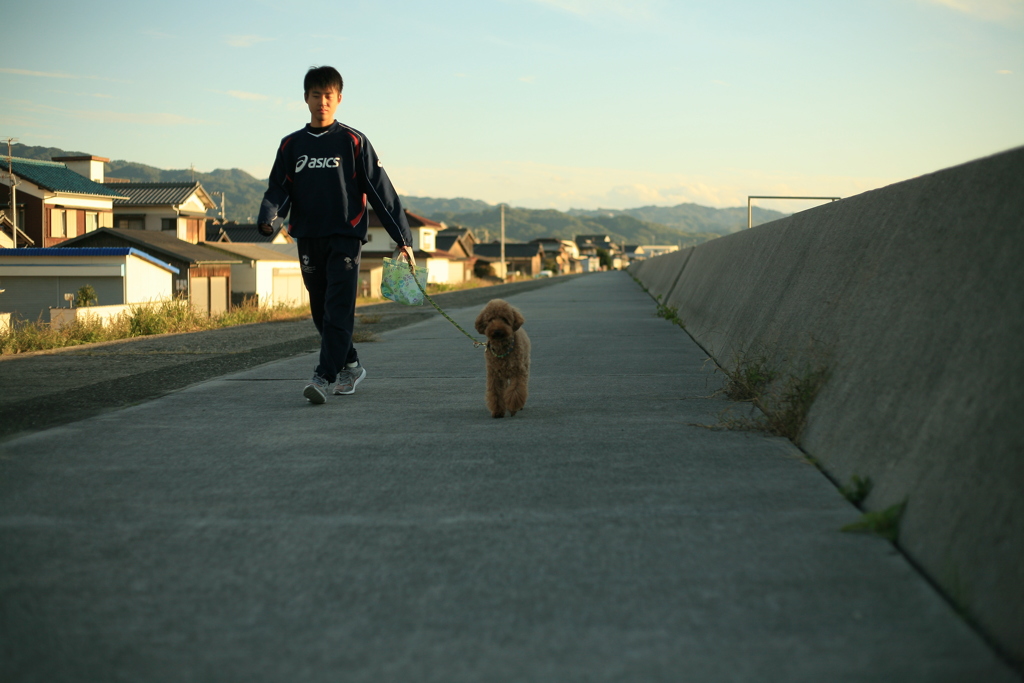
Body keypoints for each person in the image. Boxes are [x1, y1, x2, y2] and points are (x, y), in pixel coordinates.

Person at [258, 65, 414, 404]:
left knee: (338, 308)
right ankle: (351, 364)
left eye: (329, 96)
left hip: (345, 236)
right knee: (320, 310)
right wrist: (268, 217)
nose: (322, 102)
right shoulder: (291, 145)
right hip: (307, 236)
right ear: (306, 99)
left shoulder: (353, 141)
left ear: (339, 99)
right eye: (316, 96)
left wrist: (403, 238)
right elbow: (278, 189)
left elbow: (381, 192)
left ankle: (324, 375)